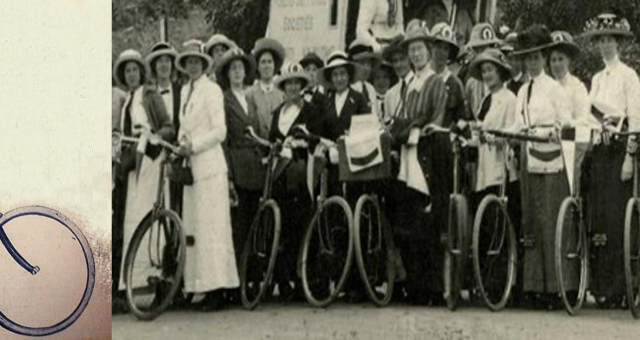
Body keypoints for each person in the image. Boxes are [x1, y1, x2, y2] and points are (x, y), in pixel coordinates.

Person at [511, 25, 573, 309]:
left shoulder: (554, 89)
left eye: (537, 57)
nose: (533, 62)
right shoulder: (523, 90)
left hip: (551, 158)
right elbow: (517, 124)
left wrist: (554, 131)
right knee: (531, 220)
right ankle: (535, 286)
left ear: (545, 57)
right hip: (528, 155)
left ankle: (558, 287)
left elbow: (566, 122)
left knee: (550, 220)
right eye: (528, 58)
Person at [175, 40, 238, 311]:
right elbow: (184, 126)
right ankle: (198, 286)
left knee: (213, 229)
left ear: (203, 64)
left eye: (196, 61)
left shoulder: (212, 90)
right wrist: (181, 142)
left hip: (211, 167)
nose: (192, 65)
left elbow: (219, 131)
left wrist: (195, 145)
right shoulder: (186, 91)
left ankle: (218, 290)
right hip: (192, 170)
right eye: (188, 61)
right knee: (195, 228)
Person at [582, 12, 640, 308]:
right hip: (600, 150)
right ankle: (601, 286)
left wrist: (630, 156)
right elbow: (589, 114)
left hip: (620, 151)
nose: (606, 46)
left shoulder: (629, 76)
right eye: (601, 40)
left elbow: (635, 118)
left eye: (610, 40)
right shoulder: (596, 79)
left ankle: (621, 287)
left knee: (618, 219)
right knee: (600, 217)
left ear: (618, 43)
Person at [391, 19, 450, 306]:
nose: (415, 55)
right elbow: (397, 124)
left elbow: (434, 121)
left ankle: (434, 288)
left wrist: (411, 127)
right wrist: (409, 127)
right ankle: (416, 286)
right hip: (408, 155)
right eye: (412, 50)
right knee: (410, 223)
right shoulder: (407, 85)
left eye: (420, 49)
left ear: (428, 51)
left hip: (427, 156)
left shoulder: (435, 81)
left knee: (429, 223)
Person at [113, 49, 175, 301]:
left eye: (134, 70)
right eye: (126, 71)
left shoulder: (150, 95)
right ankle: (134, 285)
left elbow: (169, 127)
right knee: (133, 221)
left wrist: (154, 138)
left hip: (151, 162)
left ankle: (159, 279)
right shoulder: (126, 100)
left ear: (141, 72)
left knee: (153, 220)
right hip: (133, 166)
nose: (131, 75)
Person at [215, 47, 267, 287]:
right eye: (233, 69)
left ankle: (255, 278)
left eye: (241, 68)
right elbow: (224, 139)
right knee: (240, 225)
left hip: (256, 165)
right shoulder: (224, 100)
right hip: (237, 164)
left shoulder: (250, 97)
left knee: (256, 223)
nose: (237, 73)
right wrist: (228, 172)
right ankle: (239, 280)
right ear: (227, 73)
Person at [269, 63, 319, 301]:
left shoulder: (311, 110)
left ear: (302, 86)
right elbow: (272, 141)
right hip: (280, 179)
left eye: (297, 83)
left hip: (301, 178)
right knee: (282, 230)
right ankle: (284, 281)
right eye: (288, 83)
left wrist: (303, 143)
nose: (292, 87)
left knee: (302, 228)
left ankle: (302, 281)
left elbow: (317, 139)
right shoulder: (278, 112)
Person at [146, 42, 184, 216]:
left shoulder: (181, 91)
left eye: (167, 61)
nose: (164, 65)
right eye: (160, 61)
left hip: (178, 155)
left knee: (178, 203)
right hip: (155, 155)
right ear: (154, 66)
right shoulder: (148, 95)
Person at [548, 31, 590, 125]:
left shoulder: (577, 86)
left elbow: (584, 120)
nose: (557, 64)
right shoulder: (547, 87)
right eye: (553, 60)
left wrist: (567, 124)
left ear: (568, 60)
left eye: (561, 59)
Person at [248, 38, 287, 133]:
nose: (267, 66)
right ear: (258, 66)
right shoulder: (250, 94)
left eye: (270, 62)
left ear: (274, 65)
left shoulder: (282, 93)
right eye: (263, 62)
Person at [463, 23, 503, 116]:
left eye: (488, 48)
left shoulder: (504, 80)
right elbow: (467, 114)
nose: (484, 55)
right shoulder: (471, 83)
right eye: (479, 50)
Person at [382, 34, 414, 123]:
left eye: (402, 59)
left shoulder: (420, 85)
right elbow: (387, 125)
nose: (398, 65)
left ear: (410, 59)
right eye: (395, 61)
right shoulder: (390, 94)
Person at [347, 38, 380, 118]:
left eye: (368, 63)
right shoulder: (347, 89)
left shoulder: (370, 89)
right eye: (362, 63)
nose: (366, 68)